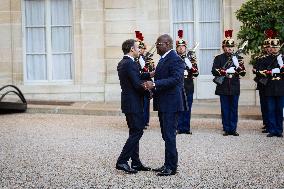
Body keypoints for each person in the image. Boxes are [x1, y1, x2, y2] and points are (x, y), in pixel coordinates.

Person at [143, 34, 185, 176]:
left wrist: (154, 84)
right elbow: (162, 75)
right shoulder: (164, 58)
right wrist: (151, 76)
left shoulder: (175, 59)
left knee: (169, 135)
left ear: (167, 44)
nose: (156, 47)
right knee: (166, 135)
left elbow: (175, 79)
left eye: (158, 44)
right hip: (164, 103)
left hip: (171, 104)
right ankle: (167, 164)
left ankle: (171, 168)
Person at [116, 39, 153, 174]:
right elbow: (137, 84)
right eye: (137, 48)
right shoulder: (129, 64)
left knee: (134, 131)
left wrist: (150, 74)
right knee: (138, 131)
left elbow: (136, 76)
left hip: (129, 102)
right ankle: (122, 160)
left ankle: (136, 163)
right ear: (132, 49)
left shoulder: (125, 62)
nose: (139, 50)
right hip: (133, 103)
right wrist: (150, 90)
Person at [211, 30, 246, 136]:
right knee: (225, 109)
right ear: (223, 47)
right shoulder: (219, 58)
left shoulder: (238, 58)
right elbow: (214, 71)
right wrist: (225, 71)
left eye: (231, 46)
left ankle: (233, 128)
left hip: (234, 85)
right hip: (223, 86)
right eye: (227, 46)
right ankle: (226, 128)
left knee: (234, 109)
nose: (229, 48)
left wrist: (238, 67)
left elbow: (243, 73)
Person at [256, 29, 284, 137]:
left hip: (280, 87)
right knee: (271, 109)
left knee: (279, 110)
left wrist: (281, 69)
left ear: (279, 48)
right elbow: (260, 72)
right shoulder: (265, 59)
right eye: (272, 47)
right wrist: (271, 71)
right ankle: (272, 130)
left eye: (276, 47)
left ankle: (279, 130)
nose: (274, 49)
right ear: (270, 48)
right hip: (269, 87)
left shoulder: (282, 58)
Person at [175, 30, 199, 135]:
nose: (181, 48)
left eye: (183, 46)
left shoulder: (191, 58)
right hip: (177, 86)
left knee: (188, 107)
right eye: (179, 46)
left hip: (188, 85)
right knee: (179, 108)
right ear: (176, 48)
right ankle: (179, 127)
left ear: (185, 47)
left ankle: (186, 127)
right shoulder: (174, 58)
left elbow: (196, 72)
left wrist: (189, 64)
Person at [252, 30, 272, 133]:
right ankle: (266, 123)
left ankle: (271, 124)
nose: (268, 49)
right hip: (262, 84)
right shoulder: (259, 58)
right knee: (264, 105)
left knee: (270, 105)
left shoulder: (276, 58)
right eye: (267, 47)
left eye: (270, 47)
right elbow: (255, 69)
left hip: (272, 84)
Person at [135, 31, 155, 129]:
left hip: (146, 83)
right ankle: (138, 121)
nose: (139, 50)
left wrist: (144, 66)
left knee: (145, 104)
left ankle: (145, 121)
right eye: (138, 48)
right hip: (136, 83)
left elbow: (152, 72)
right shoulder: (133, 59)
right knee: (137, 103)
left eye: (141, 48)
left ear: (144, 49)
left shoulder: (149, 59)